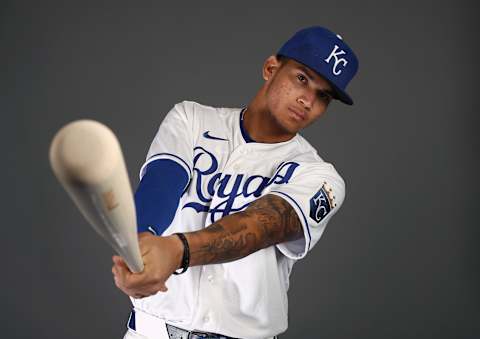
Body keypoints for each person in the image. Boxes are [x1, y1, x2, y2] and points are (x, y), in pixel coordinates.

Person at [112, 26, 359, 339]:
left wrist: (176, 251)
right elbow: (161, 184)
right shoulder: (191, 119)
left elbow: (261, 226)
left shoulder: (320, 177)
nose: (308, 100)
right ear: (271, 68)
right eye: (302, 78)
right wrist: (141, 246)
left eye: (323, 96)